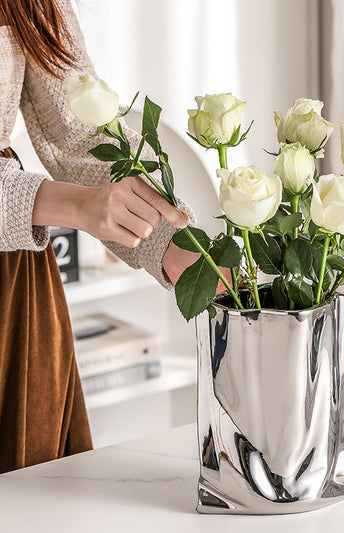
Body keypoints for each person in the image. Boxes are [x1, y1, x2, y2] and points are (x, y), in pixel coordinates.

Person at [0, 0, 199, 473]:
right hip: (20, 242)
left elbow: (78, 133)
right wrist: (70, 205)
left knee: (37, 499)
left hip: (11, 286)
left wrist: (178, 250)